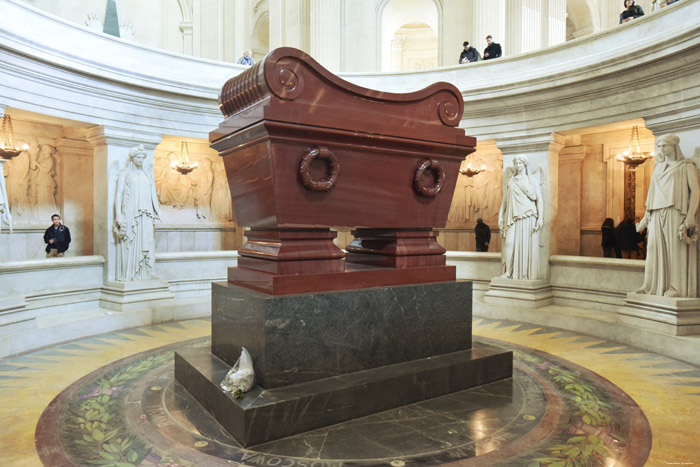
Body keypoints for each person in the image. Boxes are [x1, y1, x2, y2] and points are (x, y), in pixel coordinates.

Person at [636, 134, 699, 297]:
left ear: (674, 146)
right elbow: (651, 194)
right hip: (656, 212)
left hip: (674, 211)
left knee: (674, 249)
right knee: (653, 249)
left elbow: (695, 192)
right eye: (659, 146)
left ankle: (675, 287)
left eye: (664, 146)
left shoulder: (685, 166)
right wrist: (645, 217)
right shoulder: (657, 167)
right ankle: (651, 285)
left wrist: (691, 215)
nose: (661, 149)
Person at [114, 145, 161, 281]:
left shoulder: (147, 174)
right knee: (132, 241)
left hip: (146, 213)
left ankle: (147, 270)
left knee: (149, 240)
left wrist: (157, 211)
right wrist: (118, 215)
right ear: (132, 158)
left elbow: (153, 194)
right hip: (131, 212)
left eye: (142, 157)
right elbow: (119, 194)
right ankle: (130, 273)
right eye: (138, 157)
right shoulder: (125, 173)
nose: (141, 160)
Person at [498, 155, 544, 280]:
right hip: (512, 215)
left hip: (528, 214)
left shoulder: (532, 180)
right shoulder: (512, 179)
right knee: (509, 243)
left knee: (525, 245)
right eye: (516, 163)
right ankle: (508, 272)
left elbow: (539, 199)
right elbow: (505, 200)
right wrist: (500, 216)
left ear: (525, 164)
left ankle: (524, 273)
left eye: (520, 163)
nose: (518, 165)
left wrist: (540, 218)